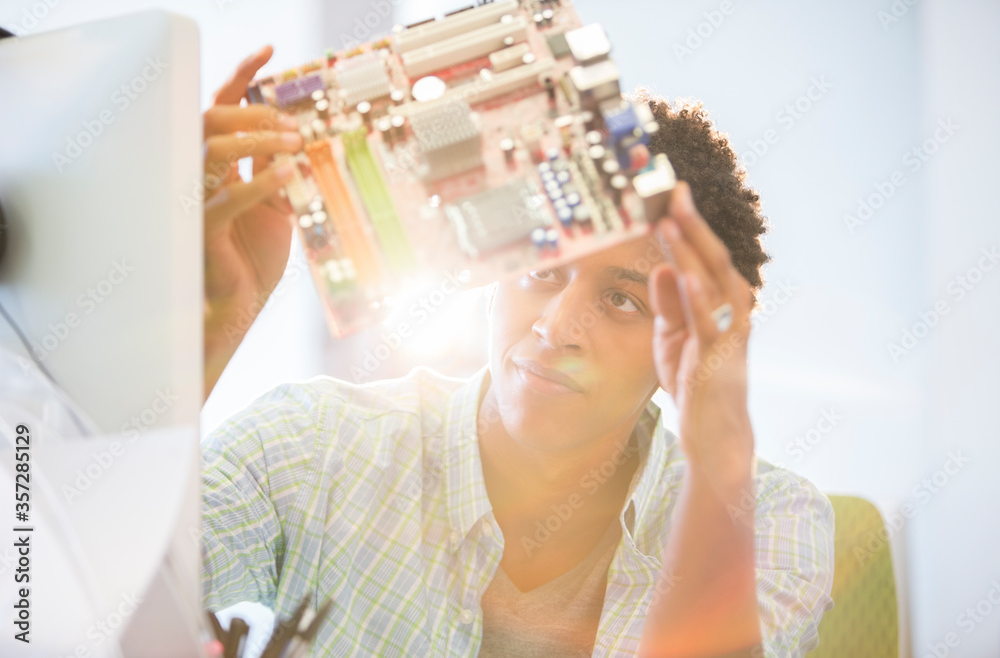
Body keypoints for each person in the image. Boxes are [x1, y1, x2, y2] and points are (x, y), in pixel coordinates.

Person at [200, 47, 834, 657]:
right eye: (542, 271)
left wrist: (718, 448)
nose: (558, 329)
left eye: (622, 301)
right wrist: (208, 329)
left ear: (688, 346)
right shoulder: (310, 446)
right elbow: (113, 590)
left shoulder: (772, 518)